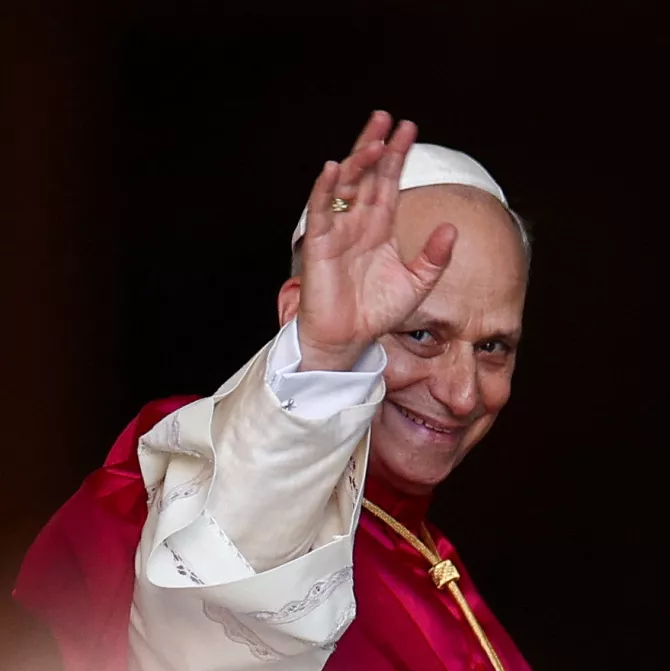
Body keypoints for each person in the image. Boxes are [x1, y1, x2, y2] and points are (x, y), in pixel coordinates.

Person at [14, 111, 532, 671]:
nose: (461, 394)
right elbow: (217, 606)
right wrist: (322, 360)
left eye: (493, 348)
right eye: (423, 334)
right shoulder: (208, 478)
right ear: (299, 315)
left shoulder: (432, 558)